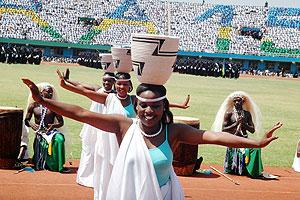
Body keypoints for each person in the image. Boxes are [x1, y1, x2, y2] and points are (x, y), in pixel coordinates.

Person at [22, 79, 282, 199]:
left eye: (154, 106)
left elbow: (213, 136)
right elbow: (81, 113)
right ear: (137, 107)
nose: (148, 111)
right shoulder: (123, 126)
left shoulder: (174, 132)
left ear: (163, 107)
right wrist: (43, 100)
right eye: (143, 105)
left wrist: (256, 142)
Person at [62, 69, 117, 188]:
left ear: (114, 82)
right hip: (92, 127)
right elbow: (81, 85)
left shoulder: (116, 95)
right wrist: (68, 80)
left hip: (106, 127)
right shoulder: (97, 89)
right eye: (104, 80)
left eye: (109, 81)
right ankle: (86, 178)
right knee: (89, 150)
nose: (106, 83)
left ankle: (103, 179)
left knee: (105, 152)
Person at [211, 91, 276, 179]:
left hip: (244, 139)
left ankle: (254, 171)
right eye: (235, 101)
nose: (237, 102)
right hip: (232, 139)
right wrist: (236, 123)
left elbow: (252, 130)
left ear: (243, 102)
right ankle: (246, 170)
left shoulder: (247, 114)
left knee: (257, 149)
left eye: (239, 100)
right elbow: (224, 129)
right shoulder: (229, 113)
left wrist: (244, 124)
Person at [24, 82, 67, 173]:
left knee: (60, 139)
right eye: (48, 92)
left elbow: (61, 122)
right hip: (40, 132)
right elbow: (26, 120)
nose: (51, 94)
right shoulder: (33, 106)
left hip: (51, 132)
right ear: (41, 92)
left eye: (51, 92)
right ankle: (43, 163)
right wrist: (31, 124)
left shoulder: (54, 107)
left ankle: (58, 166)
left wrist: (53, 126)